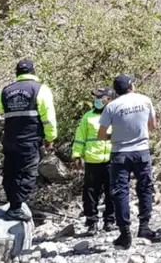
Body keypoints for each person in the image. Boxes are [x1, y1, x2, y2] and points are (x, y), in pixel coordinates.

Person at [98, 74, 161, 248]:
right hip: (142, 151)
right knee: (145, 188)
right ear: (131, 86)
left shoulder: (111, 106)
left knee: (121, 192)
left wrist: (114, 136)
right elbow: (152, 126)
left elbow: (101, 135)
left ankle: (125, 233)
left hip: (120, 153)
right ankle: (144, 226)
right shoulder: (145, 100)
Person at [0, 59, 57, 222]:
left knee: (10, 171)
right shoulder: (40, 89)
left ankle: (13, 203)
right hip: (29, 139)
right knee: (27, 171)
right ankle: (15, 208)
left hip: (9, 138)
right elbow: (48, 117)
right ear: (33, 72)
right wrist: (50, 137)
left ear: (17, 73)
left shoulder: (6, 90)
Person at [72, 87, 116, 234]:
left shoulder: (115, 116)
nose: (96, 100)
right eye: (96, 97)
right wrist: (77, 155)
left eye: (100, 97)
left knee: (112, 192)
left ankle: (109, 221)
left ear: (108, 100)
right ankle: (91, 222)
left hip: (111, 159)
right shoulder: (88, 117)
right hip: (92, 160)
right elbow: (80, 138)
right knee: (90, 193)